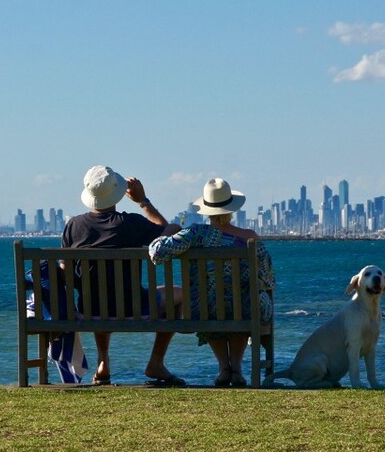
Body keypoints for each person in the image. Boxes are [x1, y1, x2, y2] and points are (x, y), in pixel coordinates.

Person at [61, 165, 183, 386]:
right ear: (116, 193)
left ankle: (103, 363)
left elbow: (64, 269)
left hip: (90, 310)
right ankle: (156, 362)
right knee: (179, 294)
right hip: (133, 307)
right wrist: (143, 201)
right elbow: (166, 236)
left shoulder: (73, 226)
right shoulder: (131, 223)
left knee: (99, 295)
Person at [148, 178, 274, 387]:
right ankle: (236, 369)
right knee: (242, 301)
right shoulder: (250, 238)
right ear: (231, 208)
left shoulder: (196, 234)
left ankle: (224, 368)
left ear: (207, 209)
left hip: (205, 308)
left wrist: (167, 232)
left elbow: (156, 253)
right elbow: (268, 278)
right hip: (248, 309)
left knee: (210, 301)